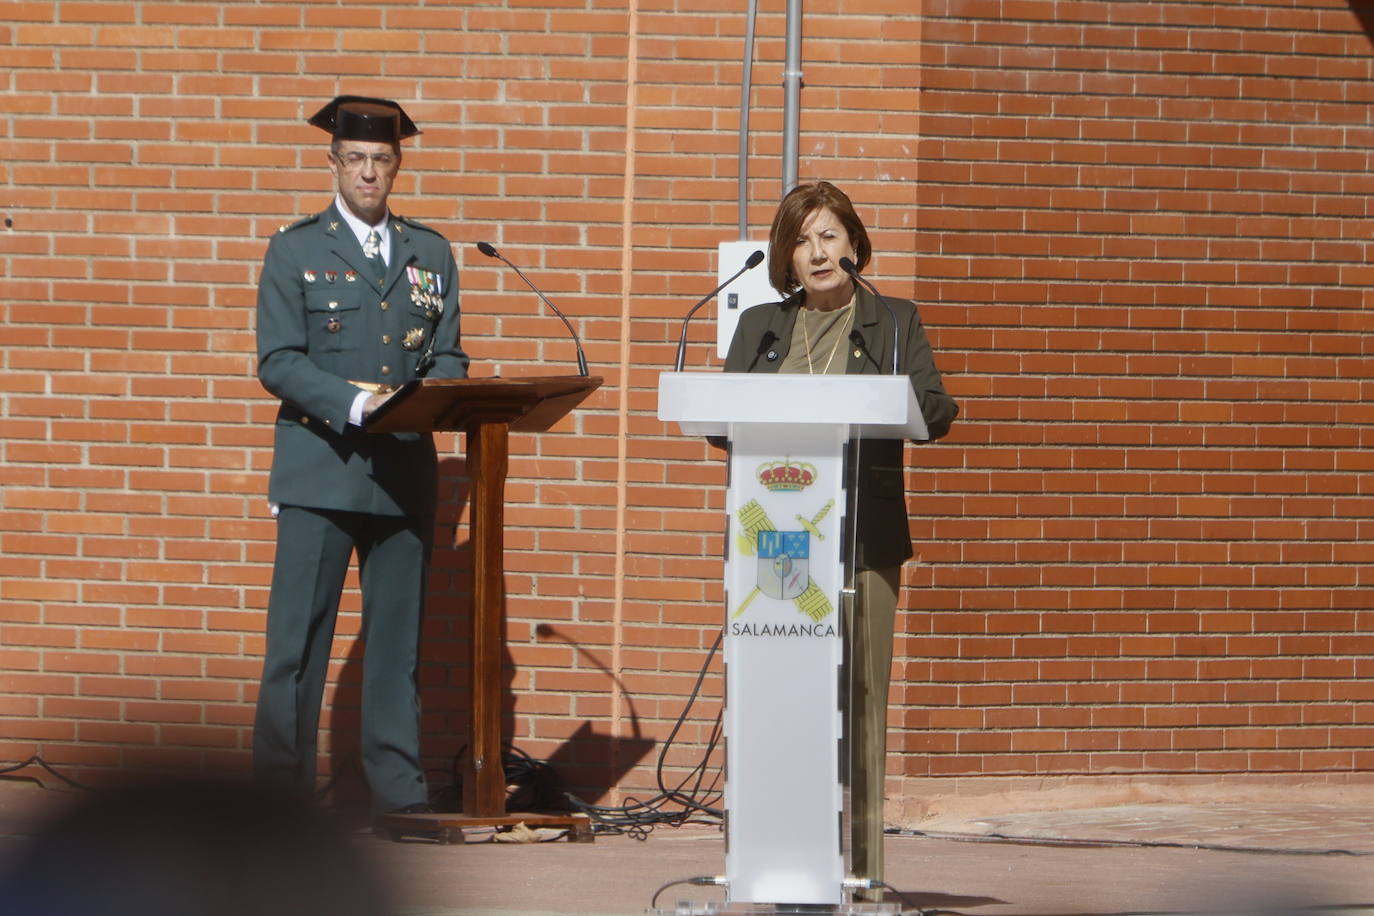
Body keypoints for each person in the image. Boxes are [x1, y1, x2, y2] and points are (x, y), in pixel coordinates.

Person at [722, 180, 958, 897]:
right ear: (785, 258)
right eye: (800, 239)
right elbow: (724, 412)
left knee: (860, 700)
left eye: (829, 235)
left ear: (854, 244)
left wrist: (895, 403)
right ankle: (779, 865)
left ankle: (861, 872)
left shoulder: (892, 322)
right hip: (780, 546)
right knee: (781, 698)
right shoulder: (761, 325)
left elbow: (936, 409)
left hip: (864, 540)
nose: (816, 251)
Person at [252, 95, 469, 817]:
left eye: (381, 159)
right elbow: (279, 360)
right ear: (333, 164)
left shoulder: (429, 252)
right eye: (356, 159)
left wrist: (426, 395)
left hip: (403, 472)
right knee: (297, 649)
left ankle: (398, 797)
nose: (369, 172)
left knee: (396, 648)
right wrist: (358, 403)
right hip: (321, 467)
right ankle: (278, 805)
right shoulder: (295, 248)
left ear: (397, 166)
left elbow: (449, 355)